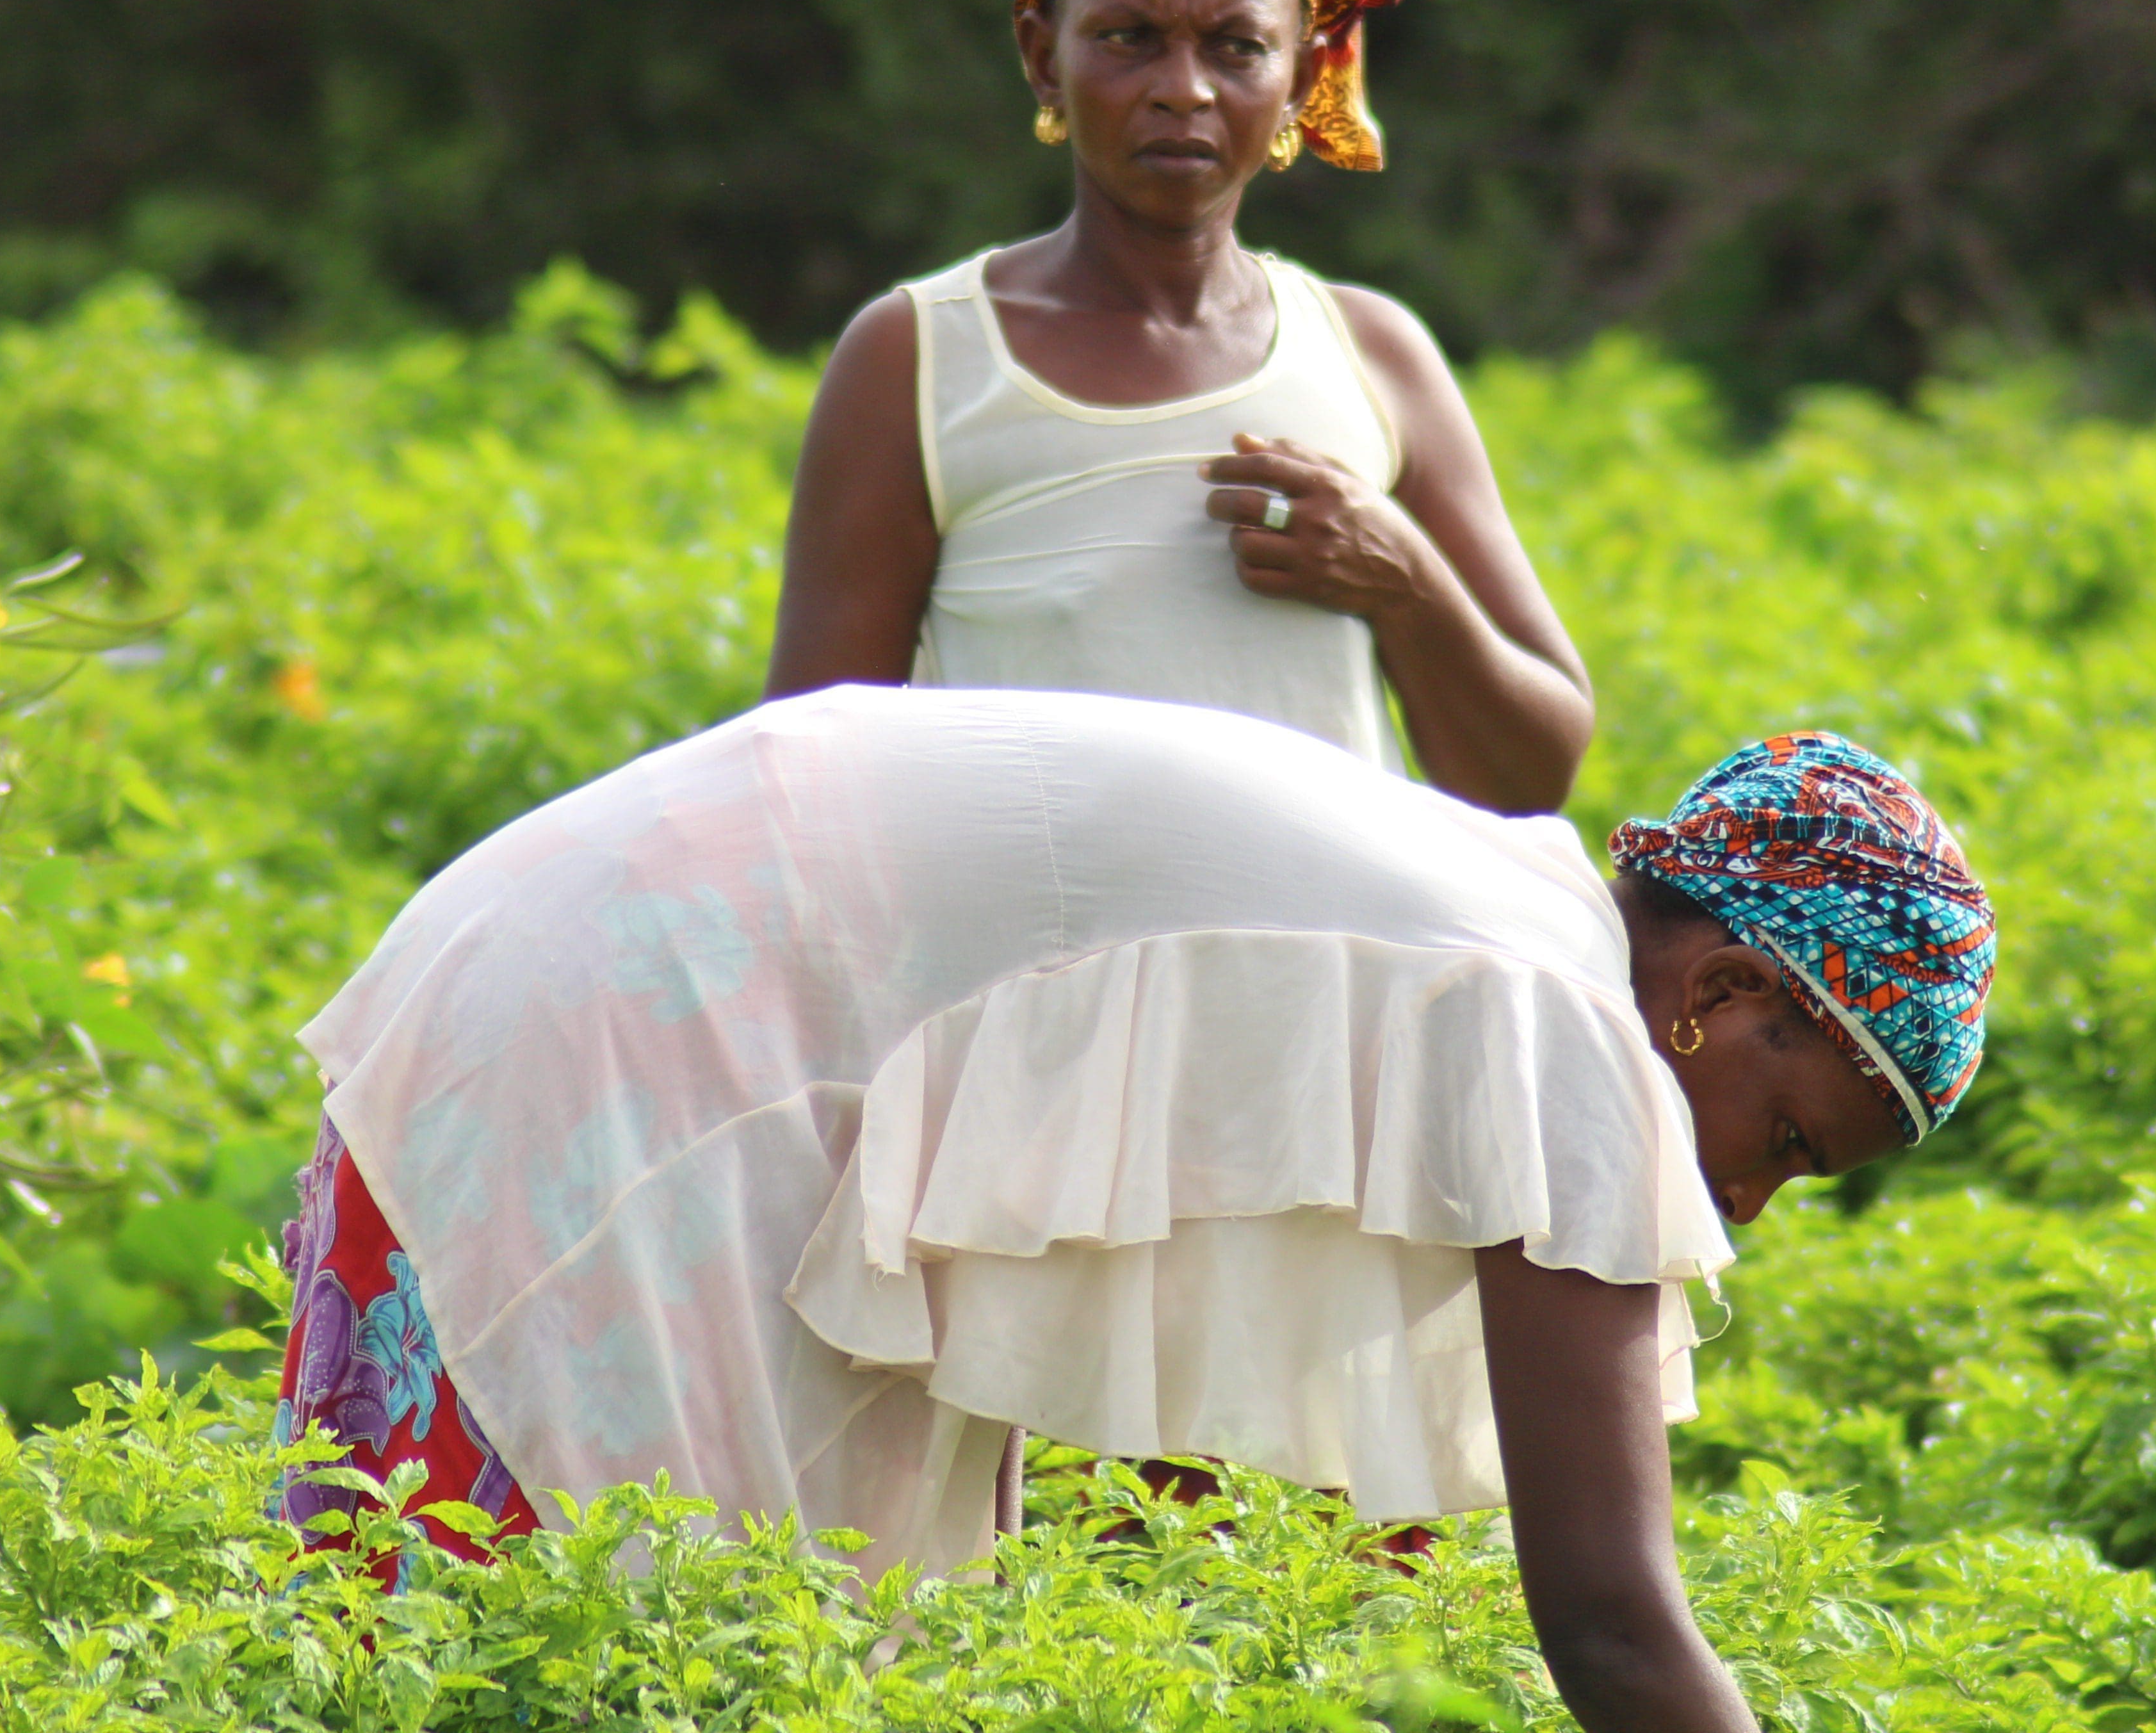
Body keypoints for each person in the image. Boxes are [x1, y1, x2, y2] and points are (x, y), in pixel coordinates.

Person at [276, 689, 1995, 1733]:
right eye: (1786, 1135)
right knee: (576, 1662)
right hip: (639, 1032)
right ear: (1718, 988)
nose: (1751, 1203)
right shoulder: (1554, 1016)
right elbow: (1612, 1617)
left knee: (695, 1654)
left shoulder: (1513, 923)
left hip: (595, 946)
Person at [766, 0, 1591, 816]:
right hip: (1046, 978)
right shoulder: (921, 361)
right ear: (1041, 57)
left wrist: (1403, 579)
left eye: (1237, 47)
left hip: (1325, 976)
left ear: (1301, 77)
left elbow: (1533, 775)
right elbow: (804, 781)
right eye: (1128, 38)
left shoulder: (1369, 356)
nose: (1184, 88)